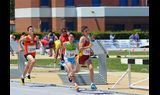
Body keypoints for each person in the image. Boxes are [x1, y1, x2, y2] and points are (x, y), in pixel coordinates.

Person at [77, 25, 97, 90]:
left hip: (87, 57)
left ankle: (92, 83)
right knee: (77, 70)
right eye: (86, 31)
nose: (88, 32)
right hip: (81, 56)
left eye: (88, 30)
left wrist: (91, 51)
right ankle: (70, 75)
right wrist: (89, 47)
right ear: (83, 32)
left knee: (91, 68)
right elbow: (80, 49)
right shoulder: (82, 38)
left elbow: (88, 47)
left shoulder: (88, 38)